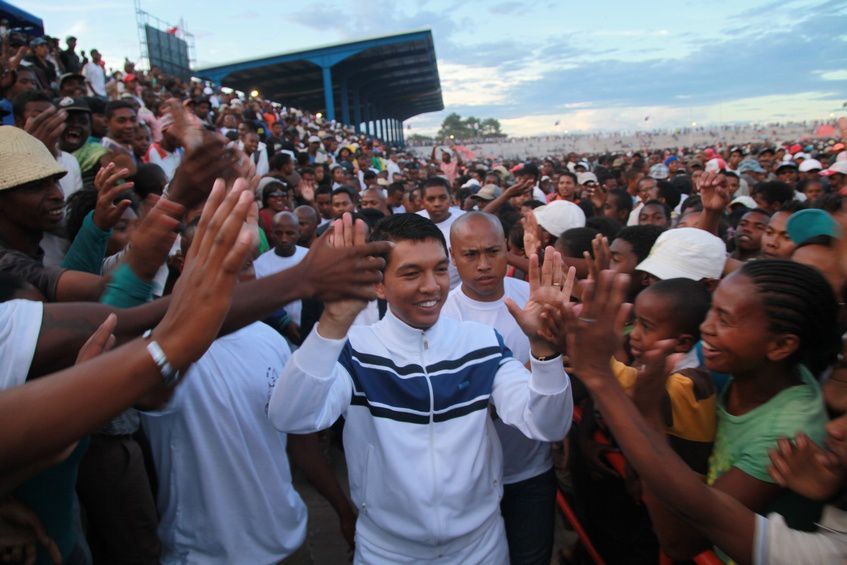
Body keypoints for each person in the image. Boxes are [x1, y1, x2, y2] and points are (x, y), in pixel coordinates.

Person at [269, 213, 573, 563]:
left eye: (440, 270)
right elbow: (291, 416)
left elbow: (548, 425)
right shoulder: (356, 350)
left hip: (480, 548)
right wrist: (333, 322)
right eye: (411, 273)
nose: (431, 286)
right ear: (379, 285)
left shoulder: (481, 343)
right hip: (387, 551)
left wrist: (546, 353)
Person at [546, 262, 843, 564]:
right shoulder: (733, 360)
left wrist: (607, 380)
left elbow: (682, 540)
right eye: (713, 310)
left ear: (781, 345)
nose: (705, 327)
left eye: (725, 319)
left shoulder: (789, 433)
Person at [441, 211, 569, 565]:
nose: (484, 264)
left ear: (506, 251)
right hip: (469, 480)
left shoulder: (534, 299)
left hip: (530, 471)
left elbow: (566, 373)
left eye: (492, 251)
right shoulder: (441, 318)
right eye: (470, 254)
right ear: (453, 257)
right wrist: (528, 371)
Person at [253, 211, 309, 336]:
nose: (284, 239)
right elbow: (262, 302)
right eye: (279, 233)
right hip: (276, 332)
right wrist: (284, 323)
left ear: (298, 233)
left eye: (289, 233)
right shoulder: (260, 265)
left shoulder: (310, 257)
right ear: (271, 234)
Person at [416, 177, 465, 288]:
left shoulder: (465, 221)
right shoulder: (411, 222)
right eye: (431, 199)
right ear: (422, 201)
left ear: (450, 198)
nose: (437, 203)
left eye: (442, 198)